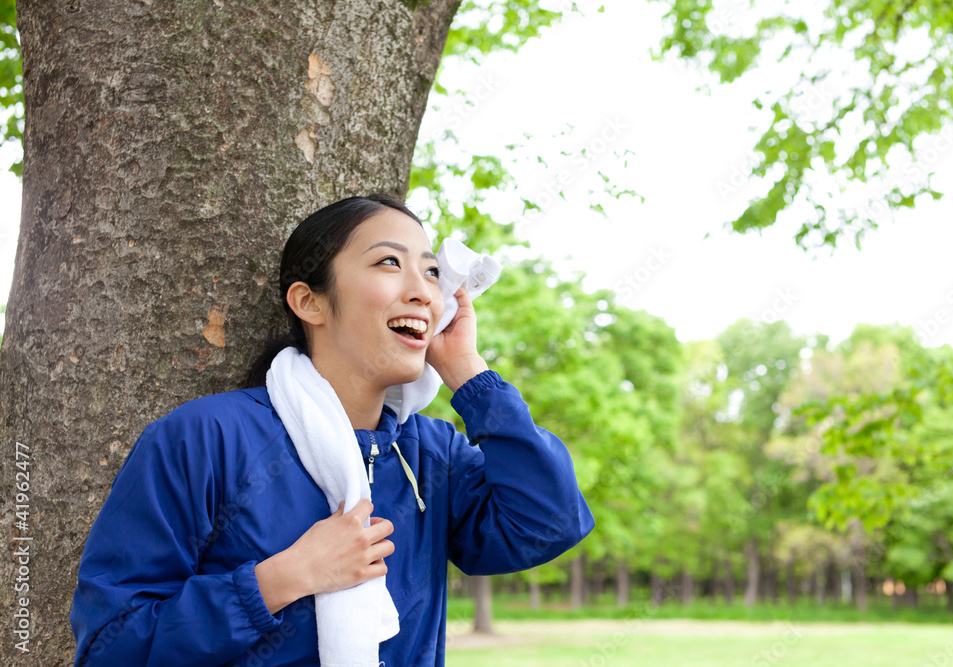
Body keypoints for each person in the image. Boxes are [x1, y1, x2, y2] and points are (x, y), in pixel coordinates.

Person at [69, 194, 596, 666]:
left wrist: (467, 371)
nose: (423, 291)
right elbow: (112, 647)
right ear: (309, 301)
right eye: (390, 262)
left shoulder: (433, 455)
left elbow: (548, 522)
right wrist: (280, 581)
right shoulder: (206, 438)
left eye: (432, 273)